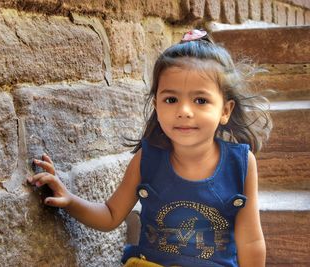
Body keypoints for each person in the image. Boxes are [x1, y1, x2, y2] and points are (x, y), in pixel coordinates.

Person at [27, 29, 272, 267]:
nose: (184, 111)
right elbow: (111, 215)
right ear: (157, 105)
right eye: (171, 99)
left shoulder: (240, 164)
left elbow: (250, 241)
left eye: (200, 100)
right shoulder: (148, 160)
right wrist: (69, 200)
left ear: (225, 111)